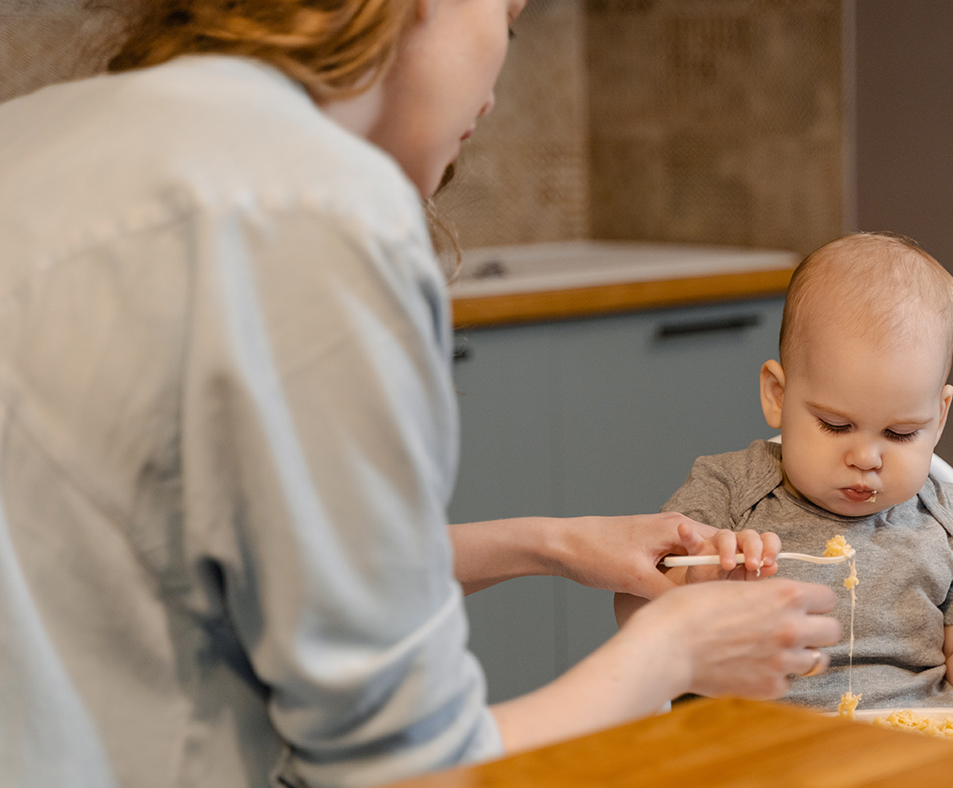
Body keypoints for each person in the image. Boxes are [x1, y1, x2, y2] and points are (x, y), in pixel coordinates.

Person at [0, 1, 842, 786]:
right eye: (506, 20)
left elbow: (196, 555)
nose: (497, 80)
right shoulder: (321, 210)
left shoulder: (34, 133)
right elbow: (407, 769)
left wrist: (552, 543)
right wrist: (672, 653)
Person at [619, 232, 953, 712]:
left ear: (940, 416)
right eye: (836, 425)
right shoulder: (726, 493)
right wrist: (694, 583)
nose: (867, 458)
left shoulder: (949, 523)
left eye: (900, 434)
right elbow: (633, 613)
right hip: (754, 752)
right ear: (777, 396)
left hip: (907, 754)